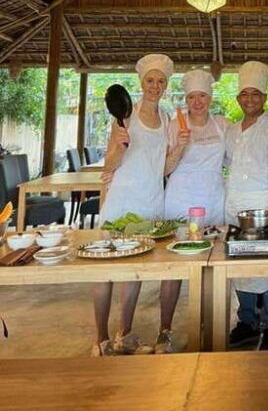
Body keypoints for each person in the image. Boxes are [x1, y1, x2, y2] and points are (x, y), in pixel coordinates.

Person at [93, 53, 173, 357]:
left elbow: (162, 168)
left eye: (161, 81)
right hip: (122, 198)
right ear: (141, 83)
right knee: (105, 270)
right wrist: (120, 146)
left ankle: (124, 334)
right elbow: (109, 164)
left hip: (151, 199)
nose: (155, 86)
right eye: (150, 80)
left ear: (166, 85)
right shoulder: (126, 115)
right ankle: (100, 339)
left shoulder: (167, 119)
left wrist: (179, 148)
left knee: (135, 269)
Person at [156, 68, 229, 354]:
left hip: (213, 199)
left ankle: (209, 329)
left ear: (210, 98)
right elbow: (164, 169)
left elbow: (237, 159)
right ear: (186, 99)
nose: (197, 102)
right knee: (172, 267)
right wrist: (178, 147)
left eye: (202, 96)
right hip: (180, 200)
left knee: (212, 265)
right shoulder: (174, 124)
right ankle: (164, 331)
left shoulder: (222, 124)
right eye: (191, 97)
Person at [225, 61, 268, 351]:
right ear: (238, 98)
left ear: (264, 97)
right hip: (234, 204)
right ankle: (247, 322)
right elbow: (229, 164)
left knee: (267, 268)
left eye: (255, 94)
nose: (249, 99)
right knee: (240, 267)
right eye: (244, 94)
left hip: (262, 205)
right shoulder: (231, 130)